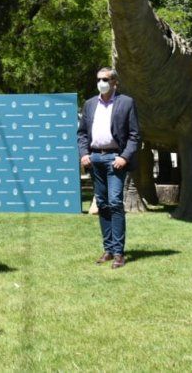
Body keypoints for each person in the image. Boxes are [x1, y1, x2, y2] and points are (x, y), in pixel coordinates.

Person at [77, 67, 140, 269]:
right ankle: (108, 249)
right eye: (99, 79)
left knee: (114, 202)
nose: (101, 82)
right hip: (95, 158)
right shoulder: (89, 104)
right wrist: (84, 154)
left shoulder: (126, 102)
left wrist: (124, 157)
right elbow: (82, 134)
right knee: (102, 204)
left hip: (115, 159)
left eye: (105, 79)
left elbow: (134, 135)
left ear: (115, 83)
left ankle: (119, 253)